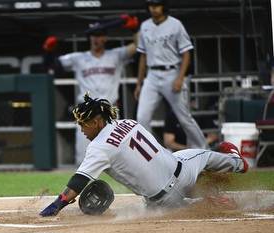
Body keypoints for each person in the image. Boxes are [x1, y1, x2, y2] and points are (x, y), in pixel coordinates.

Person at [39, 93, 248, 217]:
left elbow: (77, 182)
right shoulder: (129, 122)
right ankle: (237, 164)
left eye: (83, 124)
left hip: (162, 200)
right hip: (183, 170)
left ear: (96, 121)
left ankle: (208, 201)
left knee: (167, 207)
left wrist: (56, 206)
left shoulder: (98, 148)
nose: (81, 129)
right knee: (204, 155)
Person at [43, 15, 139, 165]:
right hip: (86, 111)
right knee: (84, 156)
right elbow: (53, 66)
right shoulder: (78, 58)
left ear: (105, 38)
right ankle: (81, 186)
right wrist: (48, 51)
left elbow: (139, 46)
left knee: (117, 155)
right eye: (93, 35)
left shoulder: (116, 55)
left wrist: (134, 29)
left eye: (99, 35)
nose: (95, 38)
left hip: (109, 110)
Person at [134, 0, 207, 149]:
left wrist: (181, 78)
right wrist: (139, 83)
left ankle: (203, 150)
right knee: (141, 118)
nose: (153, 8)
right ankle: (151, 153)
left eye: (157, 5)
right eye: (151, 5)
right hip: (152, 75)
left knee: (184, 118)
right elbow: (143, 55)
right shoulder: (145, 26)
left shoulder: (175, 24)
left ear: (164, 6)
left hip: (172, 72)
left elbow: (186, 53)